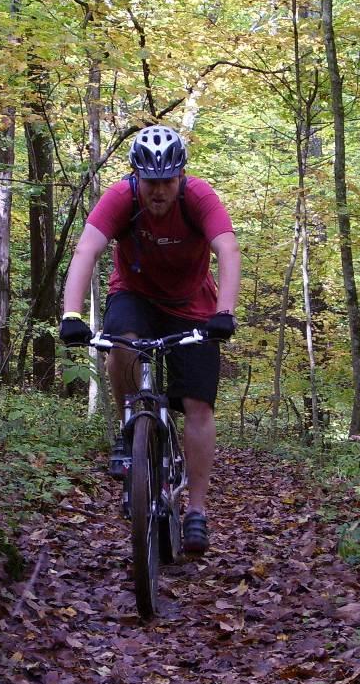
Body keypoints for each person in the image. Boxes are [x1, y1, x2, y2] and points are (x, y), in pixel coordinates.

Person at [59, 125, 240, 556]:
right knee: (119, 344)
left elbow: (228, 250)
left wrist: (225, 313)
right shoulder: (122, 198)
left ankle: (196, 509)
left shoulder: (199, 198)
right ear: (137, 177)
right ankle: (129, 427)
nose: (158, 191)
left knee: (198, 405)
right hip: (135, 295)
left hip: (193, 304)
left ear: (180, 177)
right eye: (150, 182)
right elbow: (86, 250)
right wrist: (71, 314)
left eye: (167, 181)